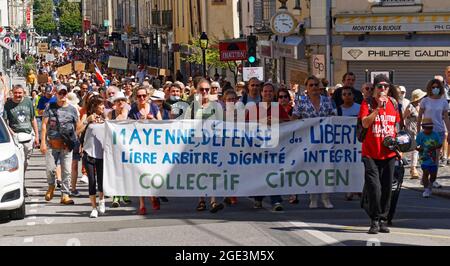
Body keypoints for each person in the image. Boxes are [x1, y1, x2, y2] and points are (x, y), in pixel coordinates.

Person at [359, 74, 401, 234]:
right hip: (370, 153)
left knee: (386, 188)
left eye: (386, 86)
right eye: (380, 86)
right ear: (375, 88)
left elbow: (396, 127)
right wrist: (377, 109)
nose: (383, 89)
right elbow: (364, 122)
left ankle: (384, 219)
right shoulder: (368, 103)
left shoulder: (394, 104)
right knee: (374, 188)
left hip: (388, 154)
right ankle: (374, 220)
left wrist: (398, 148)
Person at [292, 76, 335, 209]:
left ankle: (326, 198)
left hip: (325, 141)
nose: (314, 87)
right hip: (308, 142)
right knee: (311, 170)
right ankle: (313, 198)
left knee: (326, 169)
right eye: (311, 85)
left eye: (316, 85)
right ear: (307, 88)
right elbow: (294, 118)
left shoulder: (327, 101)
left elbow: (334, 118)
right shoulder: (301, 103)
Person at [41, 85, 80, 205]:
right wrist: (42, 142)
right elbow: (44, 125)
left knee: (67, 171)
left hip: (66, 145)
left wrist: (73, 141)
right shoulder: (50, 107)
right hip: (52, 144)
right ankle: (51, 186)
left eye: (64, 93)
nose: (62, 95)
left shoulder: (72, 109)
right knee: (51, 169)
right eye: (60, 93)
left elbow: (77, 127)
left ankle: (65, 195)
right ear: (56, 94)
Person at [128, 86, 162, 214]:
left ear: (148, 96)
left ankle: (153, 195)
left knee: (153, 173)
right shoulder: (133, 111)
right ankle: (142, 204)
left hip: (153, 146)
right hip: (139, 147)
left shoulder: (153, 107)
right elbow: (128, 128)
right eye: (139, 96)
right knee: (140, 174)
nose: (141, 98)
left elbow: (163, 124)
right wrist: (138, 123)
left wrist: (152, 119)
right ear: (135, 97)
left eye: (144, 96)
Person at [3, 84, 40, 198]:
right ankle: (21, 186)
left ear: (23, 93)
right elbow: (5, 122)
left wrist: (37, 135)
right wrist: (12, 134)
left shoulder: (28, 102)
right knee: (19, 162)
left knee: (25, 162)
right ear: (12, 93)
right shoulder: (8, 105)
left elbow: (33, 119)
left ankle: (21, 182)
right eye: (16, 93)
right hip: (16, 137)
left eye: (20, 93)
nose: (18, 95)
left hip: (28, 136)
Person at [417, 79, 450, 189]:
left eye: (437, 87)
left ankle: (433, 179)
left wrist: (449, 132)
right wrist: (418, 132)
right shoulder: (425, 101)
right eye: (433, 87)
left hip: (439, 131)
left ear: (440, 88)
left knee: (435, 157)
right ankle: (425, 177)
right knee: (426, 156)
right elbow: (419, 116)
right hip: (427, 131)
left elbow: (446, 117)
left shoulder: (443, 101)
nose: (435, 89)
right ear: (429, 88)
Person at [78, 96, 107, 218]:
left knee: (102, 180)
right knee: (92, 181)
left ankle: (102, 200)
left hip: (103, 154)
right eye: (101, 105)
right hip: (89, 153)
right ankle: (93, 208)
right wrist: (87, 121)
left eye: (103, 104)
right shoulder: (87, 116)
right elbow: (77, 130)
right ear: (94, 106)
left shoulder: (106, 117)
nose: (103, 107)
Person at [416, 118, 442, 198]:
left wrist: (434, 147)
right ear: (423, 127)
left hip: (433, 158)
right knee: (426, 172)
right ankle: (426, 189)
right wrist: (420, 149)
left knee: (433, 175)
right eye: (427, 128)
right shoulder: (420, 135)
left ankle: (430, 185)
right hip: (424, 157)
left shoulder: (435, 134)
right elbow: (416, 146)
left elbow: (440, 144)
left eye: (431, 128)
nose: (429, 130)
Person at [404, 89, 427, 179]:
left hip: (421, 130)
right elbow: (403, 117)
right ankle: (413, 169)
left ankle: (419, 168)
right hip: (412, 131)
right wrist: (404, 127)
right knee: (415, 150)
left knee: (421, 150)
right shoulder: (410, 107)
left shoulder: (422, 106)